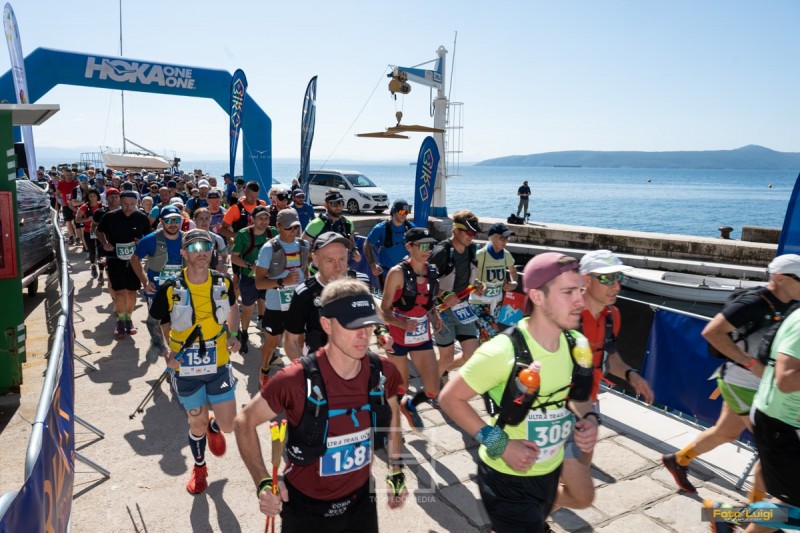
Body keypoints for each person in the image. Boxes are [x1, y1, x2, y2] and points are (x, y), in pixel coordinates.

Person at [439, 252, 599, 533]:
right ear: (537, 297)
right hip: (507, 479)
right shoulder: (502, 351)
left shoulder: (577, 343)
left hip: (550, 470)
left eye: (580, 291)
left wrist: (590, 420)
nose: (580, 301)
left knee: (582, 498)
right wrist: (501, 445)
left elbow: (580, 399)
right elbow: (450, 399)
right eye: (568, 292)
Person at [234, 278, 406, 531]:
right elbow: (244, 422)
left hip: (361, 504)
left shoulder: (382, 371)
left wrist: (396, 467)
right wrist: (263, 482)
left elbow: (392, 415)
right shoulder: (295, 379)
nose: (363, 335)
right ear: (326, 324)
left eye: (368, 324)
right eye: (352, 325)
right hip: (305, 511)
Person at [662, 254, 800, 498]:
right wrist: (752, 364)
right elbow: (712, 332)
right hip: (743, 383)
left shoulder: (791, 304)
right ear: (780, 278)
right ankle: (754, 511)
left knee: (725, 432)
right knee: (769, 452)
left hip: (760, 386)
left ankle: (678, 460)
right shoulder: (753, 302)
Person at [553, 250, 654, 512]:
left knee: (577, 478)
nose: (616, 285)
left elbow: (610, 359)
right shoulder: (564, 316)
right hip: (554, 408)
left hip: (588, 405)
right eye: (607, 279)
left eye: (618, 278)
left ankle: (534, 513)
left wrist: (631, 374)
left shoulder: (612, 316)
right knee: (576, 490)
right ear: (586, 280)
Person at [147, 229, 241, 495]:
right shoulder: (171, 287)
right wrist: (165, 351)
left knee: (229, 425)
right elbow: (154, 321)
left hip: (219, 363)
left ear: (212, 251)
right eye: (194, 247)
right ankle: (200, 467)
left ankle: (215, 425)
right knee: (196, 424)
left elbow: (233, 308)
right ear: (183, 253)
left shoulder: (223, 282)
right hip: (185, 367)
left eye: (206, 246)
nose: (201, 252)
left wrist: (234, 334)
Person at [381, 227, 444, 431]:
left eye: (430, 246)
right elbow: (384, 310)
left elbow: (428, 300)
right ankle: (388, 422)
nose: (428, 251)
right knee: (401, 386)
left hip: (421, 334)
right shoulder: (396, 273)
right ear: (409, 247)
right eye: (423, 246)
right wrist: (401, 324)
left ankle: (409, 405)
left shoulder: (432, 272)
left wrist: (435, 315)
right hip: (398, 335)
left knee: (433, 390)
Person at [283, 232, 372, 361]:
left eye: (342, 259)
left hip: (357, 361)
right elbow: (290, 341)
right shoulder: (304, 293)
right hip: (320, 363)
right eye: (330, 261)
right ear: (315, 259)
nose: (338, 267)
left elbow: (374, 313)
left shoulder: (361, 283)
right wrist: (307, 369)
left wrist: (382, 333)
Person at [253, 208, 308, 386]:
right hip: (276, 305)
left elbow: (305, 273)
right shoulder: (269, 248)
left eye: (296, 227)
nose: (293, 231)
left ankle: (298, 375)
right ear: (278, 226)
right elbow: (259, 283)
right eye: (289, 228)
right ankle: (264, 370)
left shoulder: (304, 246)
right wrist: (283, 281)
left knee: (299, 341)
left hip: (298, 304)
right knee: (271, 343)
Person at [428, 209, 484, 377]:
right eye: (469, 232)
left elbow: (465, 277)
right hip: (441, 311)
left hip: (463, 308)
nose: (472, 236)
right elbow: (425, 282)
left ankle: (437, 372)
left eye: (474, 233)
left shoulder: (471, 249)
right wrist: (444, 295)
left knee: (471, 355)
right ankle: (433, 385)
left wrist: (477, 285)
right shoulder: (441, 252)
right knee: (446, 357)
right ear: (455, 230)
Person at [94, 190, 152, 338]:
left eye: (132, 204)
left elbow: (149, 236)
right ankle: (121, 321)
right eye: (125, 204)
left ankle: (129, 319)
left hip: (134, 260)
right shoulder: (110, 216)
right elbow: (98, 231)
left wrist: (142, 242)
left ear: (137, 203)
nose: (128, 207)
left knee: (131, 292)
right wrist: (105, 243)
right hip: (114, 258)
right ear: (120, 202)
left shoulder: (142, 218)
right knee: (120, 292)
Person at [229, 205, 273, 356]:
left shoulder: (273, 232)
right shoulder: (243, 234)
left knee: (267, 306)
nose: (263, 221)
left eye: (266, 218)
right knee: (248, 309)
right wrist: (249, 265)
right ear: (252, 219)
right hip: (249, 278)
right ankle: (244, 334)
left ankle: (266, 335)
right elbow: (234, 257)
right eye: (260, 218)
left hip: (268, 278)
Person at [471, 223, 519, 343]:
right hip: (479, 302)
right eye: (502, 238)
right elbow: (466, 274)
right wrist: (474, 286)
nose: (505, 241)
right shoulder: (480, 255)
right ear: (492, 237)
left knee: (485, 336)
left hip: (496, 302)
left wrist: (513, 283)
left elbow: (513, 271)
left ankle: (477, 352)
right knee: (493, 332)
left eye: (507, 238)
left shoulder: (506, 254)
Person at [130, 205, 185, 300]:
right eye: (168, 220)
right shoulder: (149, 239)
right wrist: (145, 282)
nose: (173, 224)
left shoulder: (187, 239)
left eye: (176, 220)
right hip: (156, 293)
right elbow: (134, 260)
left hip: (182, 292)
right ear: (161, 221)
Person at [365, 199, 414, 289]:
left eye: (406, 212)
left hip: (406, 274)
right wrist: (372, 265)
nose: (404, 215)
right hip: (386, 274)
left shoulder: (411, 228)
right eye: (401, 212)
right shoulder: (380, 228)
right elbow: (367, 244)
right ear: (394, 211)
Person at [303, 190, 361, 263]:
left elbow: (351, 240)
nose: (338, 207)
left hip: (340, 266)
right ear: (325, 204)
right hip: (319, 267)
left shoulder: (348, 223)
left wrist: (354, 250)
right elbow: (303, 246)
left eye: (341, 203)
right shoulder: (315, 224)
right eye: (334, 204)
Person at [75, 188, 104, 280]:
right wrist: (87, 219)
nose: (92, 198)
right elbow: (77, 219)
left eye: (94, 196)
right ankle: (93, 266)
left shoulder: (102, 206)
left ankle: (101, 273)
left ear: (97, 196)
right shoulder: (84, 207)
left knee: (101, 252)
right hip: (88, 231)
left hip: (101, 231)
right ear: (88, 197)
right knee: (92, 251)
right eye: (90, 196)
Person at [192, 207, 229, 274]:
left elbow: (225, 256)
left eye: (207, 218)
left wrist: (225, 266)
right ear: (194, 220)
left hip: (211, 275)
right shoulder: (187, 238)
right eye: (201, 218)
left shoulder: (217, 239)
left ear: (210, 220)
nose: (204, 222)